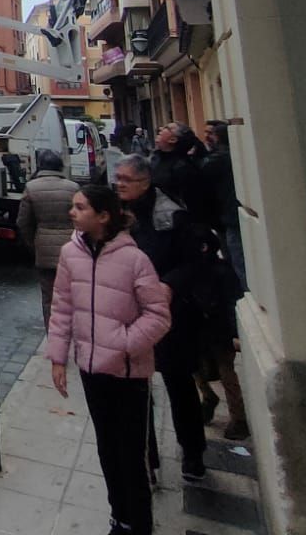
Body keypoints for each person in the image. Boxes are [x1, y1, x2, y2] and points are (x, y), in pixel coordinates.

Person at [48, 184, 171, 535]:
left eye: (80, 207)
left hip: (128, 372)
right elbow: (62, 308)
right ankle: (120, 519)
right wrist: (58, 357)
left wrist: (124, 343)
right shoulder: (70, 255)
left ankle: (140, 523)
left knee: (131, 455)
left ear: (103, 216)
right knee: (106, 447)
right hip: (90, 368)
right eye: (73, 206)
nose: (73, 213)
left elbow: (159, 315)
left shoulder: (135, 259)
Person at [113, 153, 209, 483]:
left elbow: (195, 264)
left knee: (179, 383)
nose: (119, 184)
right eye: (118, 178)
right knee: (136, 389)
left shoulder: (172, 214)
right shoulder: (114, 214)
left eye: (126, 179)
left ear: (145, 181)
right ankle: (146, 456)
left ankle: (193, 452)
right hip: (128, 314)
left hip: (170, 316)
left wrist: (169, 286)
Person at [188, 226, 250, 442]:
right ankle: (208, 397)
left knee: (226, 374)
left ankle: (239, 418)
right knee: (194, 367)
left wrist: (235, 333)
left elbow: (234, 301)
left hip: (220, 331)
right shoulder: (193, 269)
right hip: (199, 329)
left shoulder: (221, 271)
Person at [16, 147, 80, 328]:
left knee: (49, 298)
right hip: (71, 250)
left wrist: (35, 243)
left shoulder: (31, 188)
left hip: (44, 252)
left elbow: (23, 222)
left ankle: (54, 338)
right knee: (73, 294)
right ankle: (74, 331)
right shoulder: (73, 188)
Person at [200, 119, 246, 289]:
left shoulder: (218, 159)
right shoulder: (234, 155)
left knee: (237, 261)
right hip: (229, 215)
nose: (207, 137)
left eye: (211, 134)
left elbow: (202, 171)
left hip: (229, 216)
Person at [149, 123, 203, 215]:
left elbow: (192, 203)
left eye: (167, 128)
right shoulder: (156, 159)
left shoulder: (183, 168)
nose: (161, 128)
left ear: (173, 139)